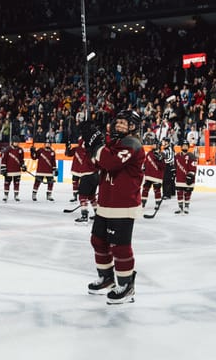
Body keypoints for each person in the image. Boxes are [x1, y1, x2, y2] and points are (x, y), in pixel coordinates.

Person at [80, 110, 145, 304]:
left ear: (133, 126)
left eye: (125, 123)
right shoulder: (114, 143)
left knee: (120, 246)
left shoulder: (132, 144)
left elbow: (110, 162)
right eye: (119, 122)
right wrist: (90, 143)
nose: (120, 126)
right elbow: (95, 163)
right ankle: (106, 278)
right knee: (98, 240)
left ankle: (126, 285)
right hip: (106, 203)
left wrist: (98, 146)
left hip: (123, 204)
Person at [65, 136, 99, 223]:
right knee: (91, 197)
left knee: (82, 196)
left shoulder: (82, 149)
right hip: (95, 175)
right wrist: (68, 148)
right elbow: (68, 153)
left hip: (86, 175)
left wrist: (68, 148)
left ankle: (84, 216)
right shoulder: (93, 150)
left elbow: (69, 153)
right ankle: (97, 214)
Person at [141, 141, 166, 217]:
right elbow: (146, 162)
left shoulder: (162, 154)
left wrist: (160, 159)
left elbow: (163, 167)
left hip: (157, 176)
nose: (153, 145)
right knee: (145, 189)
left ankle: (157, 203)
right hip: (148, 175)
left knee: (157, 190)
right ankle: (143, 203)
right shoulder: (149, 153)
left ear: (158, 145)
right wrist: (144, 167)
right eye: (152, 144)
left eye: (154, 144)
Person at [173, 143, 198, 214]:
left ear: (188, 147)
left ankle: (186, 206)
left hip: (188, 178)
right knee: (179, 192)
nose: (185, 147)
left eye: (186, 146)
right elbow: (175, 165)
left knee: (188, 192)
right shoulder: (177, 155)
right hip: (179, 178)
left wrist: (191, 175)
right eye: (183, 146)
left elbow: (194, 166)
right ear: (181, 147)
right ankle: (180, 206)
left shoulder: (191, 156)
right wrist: (173, 172)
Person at [0, 136, 26, 202]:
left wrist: (23, 165)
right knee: (7, 183)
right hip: (9, 170)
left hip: (17, 170)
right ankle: (6, 195)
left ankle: (16, 195)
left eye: (17, 142)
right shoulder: (7, 149)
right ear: (12, 142)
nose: (16, 143)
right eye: (15, 142)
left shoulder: (20, 150)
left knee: (16, 183)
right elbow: (4, 160)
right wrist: (3, 168)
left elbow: (21, 160)